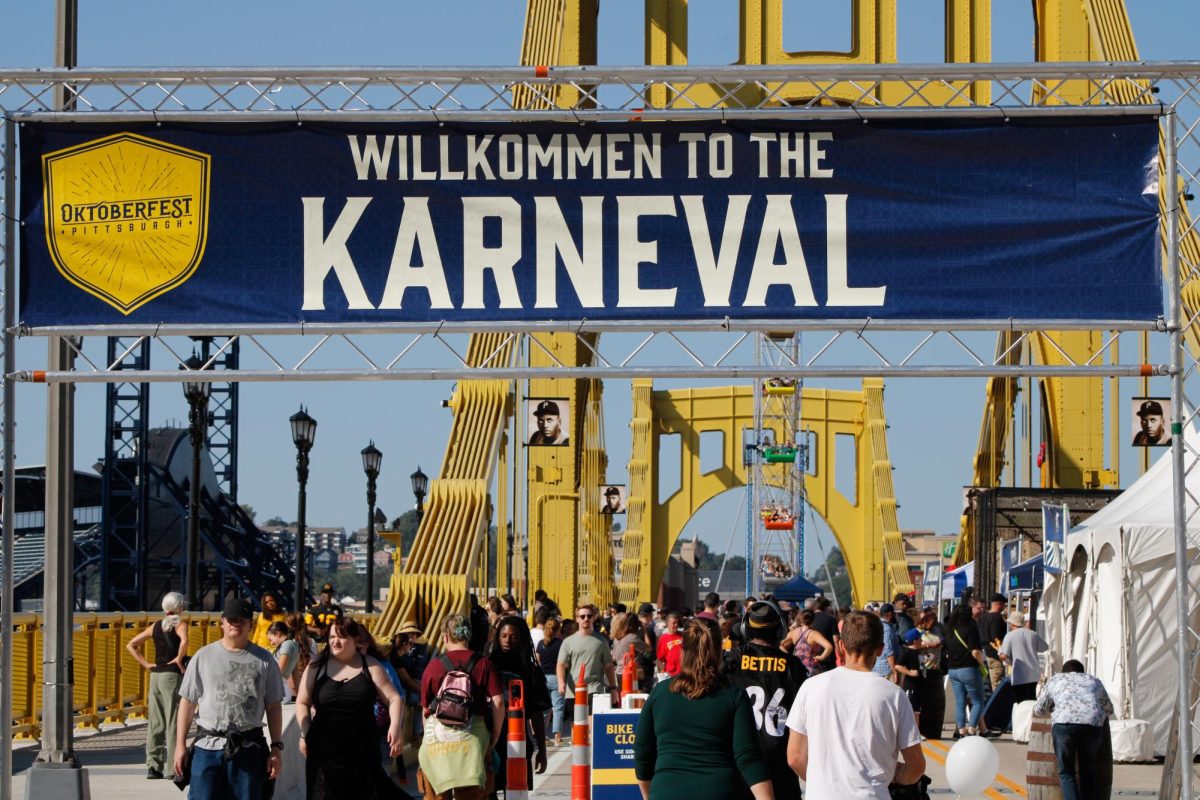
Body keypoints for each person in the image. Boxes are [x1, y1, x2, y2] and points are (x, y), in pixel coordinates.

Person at [785, 611, 925, 799]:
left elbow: (795, 757)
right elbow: (916, 766)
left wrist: (822, 782)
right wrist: (897, 776)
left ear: (841, 646)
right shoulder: (893, 695)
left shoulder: (811, 687)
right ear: (880, 649)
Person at [633, 620, 775, 800]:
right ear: (718, 653)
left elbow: (642, 752)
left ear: (682, 652)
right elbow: (747, 757)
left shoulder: (660, 693)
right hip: (719, 790)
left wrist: (649, 794)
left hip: (667, 790)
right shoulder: (734, 696)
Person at [173, 597, 286, 800]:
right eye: (232, 620)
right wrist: (180, 745)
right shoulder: (203, 656)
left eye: (242, 620)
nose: (236, 624)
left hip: (248, 746)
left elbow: (274, 705)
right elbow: (188, 703)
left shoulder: (265, 660)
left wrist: (276, 748)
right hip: (208, 747)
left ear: (250, 625)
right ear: (222, 623)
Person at [295, 617, 403, 799]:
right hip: (324, 750)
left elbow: (394, 699)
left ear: (354, 639)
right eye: (331, 637)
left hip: (362, 750)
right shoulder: (316, 666)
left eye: (341, 637)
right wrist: (306, 733)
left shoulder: (371, 665)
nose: (335, 642)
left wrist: (395, 727)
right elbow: (302, 702)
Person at [724, 601, 807, 800]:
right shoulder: (792, 666)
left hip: (740, 760)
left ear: (745, 629)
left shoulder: (730, 661)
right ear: (780, 630)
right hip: (779, 760)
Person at [417, 613, 505, 800]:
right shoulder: (484, 663)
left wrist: (430, 736)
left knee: (438, 793)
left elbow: (425, 710)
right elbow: (498, 701)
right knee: (472, 794)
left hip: (438, 744)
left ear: (446, 636)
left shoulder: (433, 666)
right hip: (472, 739)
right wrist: (495, 733)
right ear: (469, 635)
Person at [125, 591, 189, 780]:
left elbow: (131, 644)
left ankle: (153, 766)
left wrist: (146, 664)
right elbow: (184, 641)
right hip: (172, 676)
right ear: (179, 607)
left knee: (156, 722)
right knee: (173, 721)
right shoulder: (181, 624)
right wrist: (179, 659)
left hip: (156, 676)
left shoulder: (155, 626)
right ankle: (172, 768)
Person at [486, 616, 549, 796]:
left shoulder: (530, 670)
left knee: (515, 791)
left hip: (518, 743)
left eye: (513, 637)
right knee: (488, 791)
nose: (507, 641)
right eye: (503, 636)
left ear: (521, 638)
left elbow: (536, 713)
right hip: (491, 741)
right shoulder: (488, 665)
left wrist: (542, 751)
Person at [1034, 659, 1114, 800]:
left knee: (1066, 771)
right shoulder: (1093, 680)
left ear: (1063, 672)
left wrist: (1054, 707)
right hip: (1092, 724)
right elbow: (1109, 709)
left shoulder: (1055, 680)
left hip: (1064, 725)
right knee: (1088, 771)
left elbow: (1038, 710)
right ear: (1082, 672)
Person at [556, 604, 619, 709]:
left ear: (593, 618)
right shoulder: (568, 642)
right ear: (577, 619)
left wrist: (613, 688)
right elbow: (561, 664)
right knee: (576, 724)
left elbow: (608, 666)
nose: (586, 619)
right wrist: (561, 682)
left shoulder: (601, 641)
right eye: (582, 616)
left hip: (594, 689)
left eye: (589, 616)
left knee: (590, 722)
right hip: (573, 691)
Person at [944, 603, 991, 738]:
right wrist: (981, 665)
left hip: (953, 669)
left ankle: (960, 730)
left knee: (960, 702)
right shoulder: (971, 627)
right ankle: (971, 729)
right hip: (969, 668)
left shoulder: (949, 628)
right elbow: (975, 651)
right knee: (977, 701)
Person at [998, 611, 1048, 703]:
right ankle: (1029, 717)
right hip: (1033, 674)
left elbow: (1003, 655)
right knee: (1031, 700)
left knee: (1020, 702)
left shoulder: (1009, 636)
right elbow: (1045, 647)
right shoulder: (1032, 634)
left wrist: (999, 653)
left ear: (1012, 624)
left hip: (1019, 675)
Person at [535, 617, 566, 747]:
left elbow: (537, 661)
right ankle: (557, 738)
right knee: (558, 708)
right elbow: (563, 662)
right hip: (556, 677)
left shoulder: (541, 643)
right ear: (558, 629)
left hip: (543, 678)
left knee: (545, 710)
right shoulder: (560, 643)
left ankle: (542, 737)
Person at [784, 609, 832, 678]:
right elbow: (829, 647)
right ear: (813, 620)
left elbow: (781, 645)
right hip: (812, 670)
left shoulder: (794, 632)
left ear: (801, 619)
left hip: (798, 670)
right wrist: (821, 657)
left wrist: (790, 657)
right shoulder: (813, 634)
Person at [894, 628, 924, 733]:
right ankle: (911, 732)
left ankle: (916, 732)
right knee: (912, 710)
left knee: (917, 710)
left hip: (918, 684)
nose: (922, 641)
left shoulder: (916, 652)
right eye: (920, 639)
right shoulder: (907, 652)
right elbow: (897, 666)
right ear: (915, 641)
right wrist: (910, 672)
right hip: (911, 685)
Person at [978, 593, 1007, 691]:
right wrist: (1001, 653)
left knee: (988, 684)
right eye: (1004, 604)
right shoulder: (997, 618)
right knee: (997, 685)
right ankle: (998, 705)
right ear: (999, 604)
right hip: (995, 655)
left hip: (984, 653)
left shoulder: (983, 617)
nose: (1004, 607)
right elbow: (996, 638)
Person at [265, 621, 301, 702]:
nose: (271, 643)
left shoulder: (287, 644)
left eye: (270, 639)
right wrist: (299, 695)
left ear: (278, 634)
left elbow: (279, 670)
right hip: (284, 691)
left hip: (277, 689)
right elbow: (295, 673)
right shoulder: (295, 645)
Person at [808, 597, 839, 674]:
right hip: (828, 658)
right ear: (826, 607)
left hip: (812, 657)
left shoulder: (809, 618)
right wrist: (840, 655)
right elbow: (836, 640)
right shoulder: (831, 619)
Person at [872, 604, 900, 681]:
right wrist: (894, 671)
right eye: (894, 614)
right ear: (890, 614)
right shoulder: (887, 629)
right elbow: (888, 651)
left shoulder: (877, 626)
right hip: (886, 670)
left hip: (877, 668)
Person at [655, 612, 684, 677]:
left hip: (683, 673)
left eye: (677, 623)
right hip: (671, 674)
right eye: (674, 623)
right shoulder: (663, 639)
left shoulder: (683, 635)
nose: (676, 625)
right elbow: (660, 660)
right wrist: (662, 675)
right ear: (668, 624)